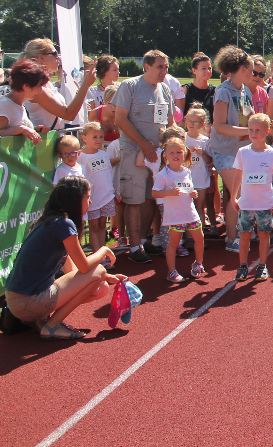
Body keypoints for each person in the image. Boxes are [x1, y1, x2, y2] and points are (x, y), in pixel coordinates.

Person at [3, 177, 127, 340]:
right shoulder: (63, 224)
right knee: (98, 271)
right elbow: (84, 267)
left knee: (101, 285)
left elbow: (72, 271)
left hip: (17, 301)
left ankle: (41, 319)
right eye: (87, 197)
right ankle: (52, 325)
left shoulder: (50, 221)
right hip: (27, 303)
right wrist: (103, 250)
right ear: (75, 200)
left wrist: (107, 277)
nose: (90, 202)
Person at [112, 50, 173, 263]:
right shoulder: (129, 86)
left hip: (157, 155)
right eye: (160, 67)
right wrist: (143, 145)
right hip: (134, 152)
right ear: (146, 67)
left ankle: (145, 240)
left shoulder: (165, 90)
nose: (164, 71)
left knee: (150, 198)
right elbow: (120, 119)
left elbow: (170, 123)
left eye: (166, 67)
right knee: (134, 199)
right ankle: (134, 247)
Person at [209, 47, 255, 252]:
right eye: (252, 70)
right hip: (225, 151)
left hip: (242, 150)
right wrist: (249, 130)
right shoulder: (223, 91)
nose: (253, 74)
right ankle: (232, 239)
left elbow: (249, 115)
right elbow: (219, 126)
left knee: (242, 192)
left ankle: (239, 233)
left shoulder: (244, 90)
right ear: (243, 69)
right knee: (239, 193)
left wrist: (258, 125)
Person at [231, 113, 273, 282]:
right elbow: (238, 177)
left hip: (264, 204)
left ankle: (262, 266)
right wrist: (233, 197)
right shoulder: (242, 152)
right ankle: (242, 265)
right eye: (251, 129)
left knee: (263, 235)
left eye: (258, 130)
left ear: (267, 131)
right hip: (246, 204)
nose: (254, 133)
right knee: (244, 235)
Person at [150, 135, 207, 282]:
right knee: (173, 244)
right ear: (166, 155)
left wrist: (193, 193)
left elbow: (188, 188)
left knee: (199, 239)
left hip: (190, 213)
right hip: (175, 216)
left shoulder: (187, 171)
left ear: (185, 153)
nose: (176, 155)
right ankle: (171, 271)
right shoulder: (163, 175)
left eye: (179, 152)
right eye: (172, 153)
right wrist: (168, 192)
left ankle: (198, 264)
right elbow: (155, 192)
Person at [20, 38, 96, 133]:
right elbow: (68, 114)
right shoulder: (36, 87)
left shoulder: (46, 83)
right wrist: (85, 85)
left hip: (52, 139)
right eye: (54, 54)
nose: (59, 58)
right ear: (41, 58)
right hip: (42, 143)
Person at [78, 122, 118, 255]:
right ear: (84, 138)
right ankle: (97, 257)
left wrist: (113, 190)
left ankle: (103, 254)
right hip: (92, 198)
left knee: (102, 225)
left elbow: (107, 173)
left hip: (106, 195)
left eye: (101, 137)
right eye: (94, 137)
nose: (99, 140)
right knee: (93, 226)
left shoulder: (103, 154)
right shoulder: (81, 158)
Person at [0, 59, 49, 141]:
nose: (40, 91)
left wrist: (35, 130)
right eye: (38, 86)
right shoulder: (5, 105)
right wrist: (21, 129)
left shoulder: (18, 104)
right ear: (25, 86)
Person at [87, 55, 120, 119]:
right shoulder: (92, 91)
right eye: (114, 70)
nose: (118, 72)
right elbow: (92, 116)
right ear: (104, 71)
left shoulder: (121, 87)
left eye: (118, 69)